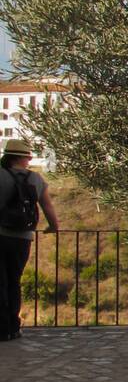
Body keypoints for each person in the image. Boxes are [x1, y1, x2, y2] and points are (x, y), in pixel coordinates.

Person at [0, 138, 59, 341]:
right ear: (24, 158)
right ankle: (14, 327)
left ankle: (2, 329)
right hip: (22, 238)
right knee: (14, 282)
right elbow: (48, 206)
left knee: (1, 282)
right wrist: (54, 226)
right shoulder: (36, 179)